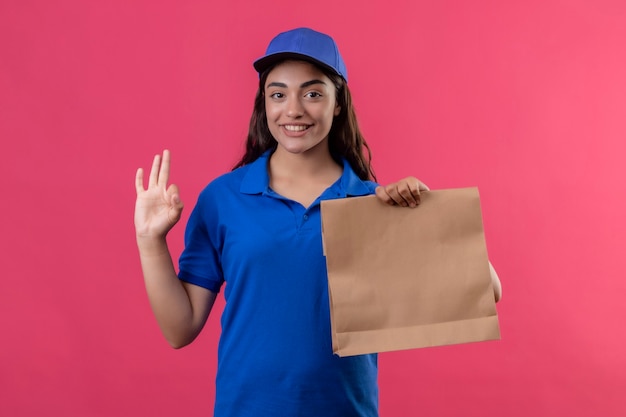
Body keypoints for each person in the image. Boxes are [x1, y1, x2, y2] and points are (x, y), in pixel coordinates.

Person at [134, 27, 501, 417]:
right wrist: (149, 241)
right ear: (264, 103)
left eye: (312, 93)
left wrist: (429, 219)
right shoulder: (223, 199)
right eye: (278, 94)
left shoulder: (371, 204)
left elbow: (487, 291)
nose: (293, 110)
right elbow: (180, 328)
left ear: (337, 102)